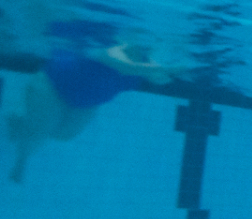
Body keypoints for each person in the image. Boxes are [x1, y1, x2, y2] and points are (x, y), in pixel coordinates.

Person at [7, 23, 174, 183]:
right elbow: (128, 67)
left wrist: (164, 66)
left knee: (65, 135)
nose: (144, 44)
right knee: (38, 131)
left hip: (86, 102)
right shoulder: (113, 45)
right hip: (53, 84)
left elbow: (161, 78)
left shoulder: (145, 61)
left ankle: (24, 121)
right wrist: (160, 69)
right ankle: (21, 161)